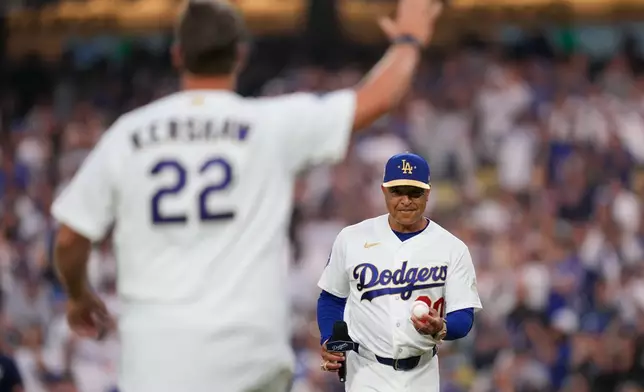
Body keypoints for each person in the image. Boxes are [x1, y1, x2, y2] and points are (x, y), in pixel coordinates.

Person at [50, 0, 444, 391]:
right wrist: (408, 40)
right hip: (249, 357)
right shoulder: (268, 125)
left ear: (177, 55)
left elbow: (70, 238)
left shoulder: (129, 135)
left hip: (157, 360)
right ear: (240, 55)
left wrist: (79, 296)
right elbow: (376, 98)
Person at [316, 152, 482, 392]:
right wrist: (329, 339)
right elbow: (332, 298)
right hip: (365, 371)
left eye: (414, 192)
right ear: (384, 191)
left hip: (422, 373)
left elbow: (464, 315)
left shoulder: (452, 248)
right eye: (397, 191)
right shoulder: (351, 239)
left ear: (428, 193)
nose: (406, 200)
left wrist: (442, 327)